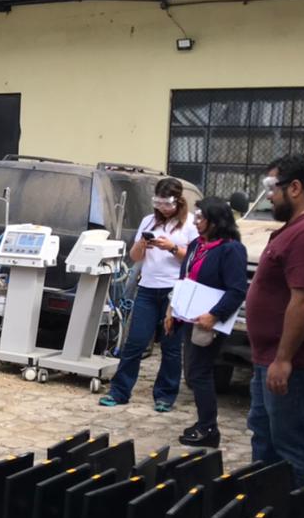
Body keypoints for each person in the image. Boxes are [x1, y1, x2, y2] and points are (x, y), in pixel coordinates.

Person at [243, 153, 304, 487]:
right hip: (271, 358)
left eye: (273, 187)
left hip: (297, 362)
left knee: (292, 447)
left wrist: (284, 359)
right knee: (265, 436)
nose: (270, 196)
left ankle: (295, 513)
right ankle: (265, 504)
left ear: (295, 188)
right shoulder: (297, 228)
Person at [99, 177, 198, 412]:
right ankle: (119, 391)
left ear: (178, 201)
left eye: (167, 203)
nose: (163, 208)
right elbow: (135, 257)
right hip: (147, 288)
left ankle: (165, 395)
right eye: (158, 203)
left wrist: (171, 247)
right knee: (135, 342)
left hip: (175, 290)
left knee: (171, 347)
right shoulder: (148, 221)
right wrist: (142, 245)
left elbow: (194, 259)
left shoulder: (190, 224)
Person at [168, 197, 247, 448]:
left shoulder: (231, 249)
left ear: (215, 220)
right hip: (189, 315)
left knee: (200, 372)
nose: (197, 222)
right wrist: (172, 310)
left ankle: (208, 427)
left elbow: (237, 290)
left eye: (201, 217)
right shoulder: (197, 245)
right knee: (194, 371)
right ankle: (204, 422)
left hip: (209, 320)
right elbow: (184, 278)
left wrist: (214, 315)